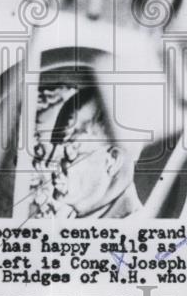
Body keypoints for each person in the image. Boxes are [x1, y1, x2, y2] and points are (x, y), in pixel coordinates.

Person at [46, 87, 142, 219]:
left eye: (70, 151)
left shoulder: (133, 230)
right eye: (56, 148)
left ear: (112, 161)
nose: (50, 164)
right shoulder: (66, 217)